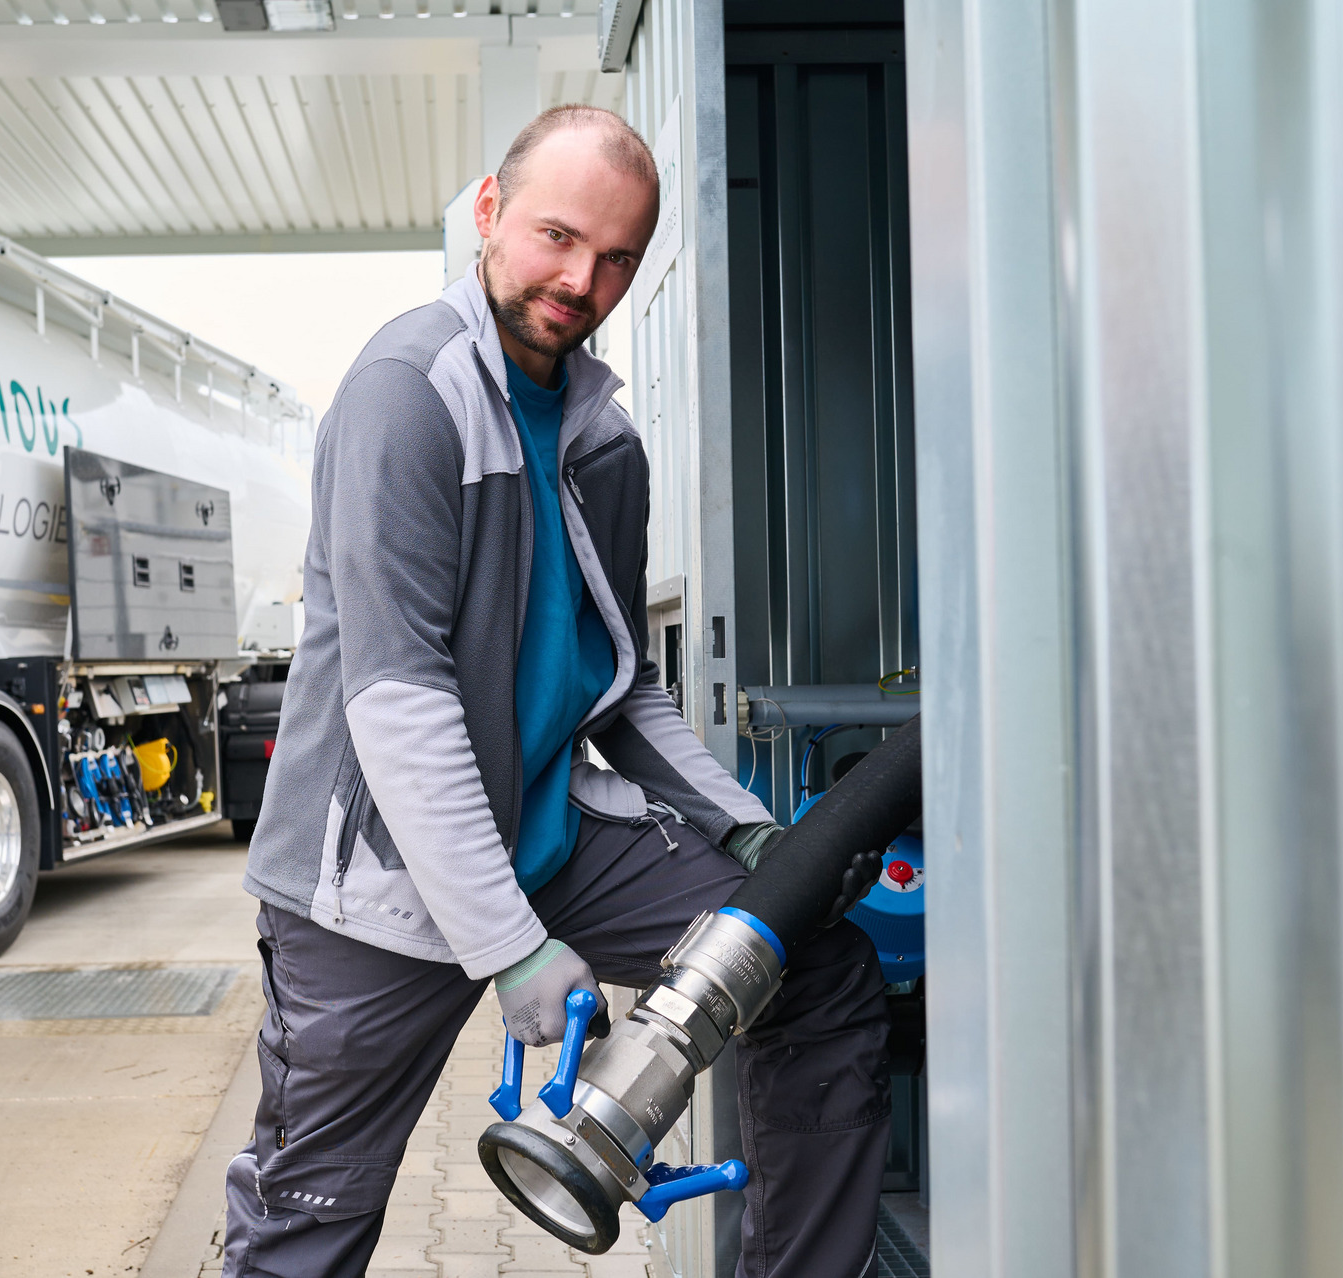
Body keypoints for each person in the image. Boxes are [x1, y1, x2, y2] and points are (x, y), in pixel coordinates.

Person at [224, 105, 891, 1278]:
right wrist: (508, 948)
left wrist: (748, 834)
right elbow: (398, 704)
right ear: (490, 210)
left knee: (811, 964)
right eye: (557, 237)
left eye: (617, 257)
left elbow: (621, 690)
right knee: (309, 1217)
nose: (583, 281)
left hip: (545, 835)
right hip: (373, 880)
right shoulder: (406, 393)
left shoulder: (602, 444)